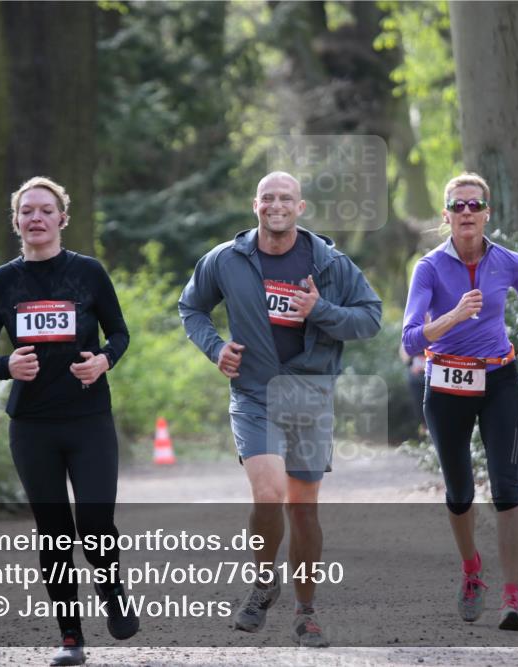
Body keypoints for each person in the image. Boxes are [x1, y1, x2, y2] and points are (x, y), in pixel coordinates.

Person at [178, 171, 382, 648]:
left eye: (285, 198)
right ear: (255, 205)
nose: (276, 205)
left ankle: (306, 610)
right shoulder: (227, 259)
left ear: (300, 207)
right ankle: (264, 581)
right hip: (254, 393)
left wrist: (320, 311)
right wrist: (215, 348)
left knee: (304, 510)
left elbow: (370, 317)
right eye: (267, 197)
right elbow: (192, 308)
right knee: (268, 494)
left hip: (310, 396)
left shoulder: (329, 263)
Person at [0, 176, 136, 665]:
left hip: (88, 420)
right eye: (26, 212)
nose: (35, 219)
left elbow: (120, 334)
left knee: (96, 521)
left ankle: (112, 590)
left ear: (62, 218)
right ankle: (70, 637)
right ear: (17, 222)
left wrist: (104, 360)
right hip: (33, 425)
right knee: (54, 530)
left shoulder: (88, 272)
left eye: (45, 210)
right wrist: (5, 367)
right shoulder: (3, 281)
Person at [401, 172, 518, 632]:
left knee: (507, 486)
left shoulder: (509, 262)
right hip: (444, 385)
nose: (466, 213)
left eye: (473, 205)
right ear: (445, 216)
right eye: (457, 206)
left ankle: (513, 598)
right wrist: (453, 315)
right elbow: (410, 338)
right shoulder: (427, 268)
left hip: (500, 380)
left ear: (487, 213)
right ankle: (471, 571)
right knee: (460, 493)